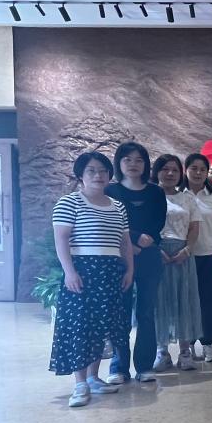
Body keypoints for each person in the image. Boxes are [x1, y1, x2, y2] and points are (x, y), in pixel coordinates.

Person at [50, 151, 134, 407]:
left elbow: (125, 243)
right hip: (83, 271)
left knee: (102, 326)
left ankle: (94, 378)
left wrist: (129, 270)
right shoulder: (69, 202)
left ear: (109, 175)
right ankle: (80, 383)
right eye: (91, 171)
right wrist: (69, 271)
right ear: (81, 175)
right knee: (81, 327)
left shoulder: (118, 206)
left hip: (110, 272)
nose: (98, 175)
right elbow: (61, 239)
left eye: (103, 171)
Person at [105, 142, 166, 384]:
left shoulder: (156, 192)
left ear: (146, 164)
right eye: (127, 159)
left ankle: (144, 366)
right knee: (120, 311)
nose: (133, 164)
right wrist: (133, 239)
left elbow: (158, 223)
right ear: (119, 163)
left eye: (139, 160)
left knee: (146, 312)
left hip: (149, 256)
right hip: (121, 257)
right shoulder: (110, 191)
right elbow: (110, 223)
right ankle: (119, 367)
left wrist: (143, 242)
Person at [151, 154, 202, 371]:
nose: (170, 173)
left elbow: (194, 227)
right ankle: (162, 352)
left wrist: (187, 250)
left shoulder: (187, 198)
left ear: (180, 174)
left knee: (184, 301)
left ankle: (185, 352)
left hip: (182, 254)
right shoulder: (150, 196)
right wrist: (156, 250)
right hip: (157, 253)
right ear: (157, 172)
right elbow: (145, 226)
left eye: (174, 170)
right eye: (165, 169)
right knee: (159, 301)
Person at [183, 153, 212, 363]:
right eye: (193, 168)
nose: (198, 173)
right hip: (185, 256)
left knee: (209, 302)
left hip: (210, 254)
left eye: (202, 169)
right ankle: (189, 345)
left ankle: (208, 344)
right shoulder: (178, 195)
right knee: (188, 302)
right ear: (186, 170)